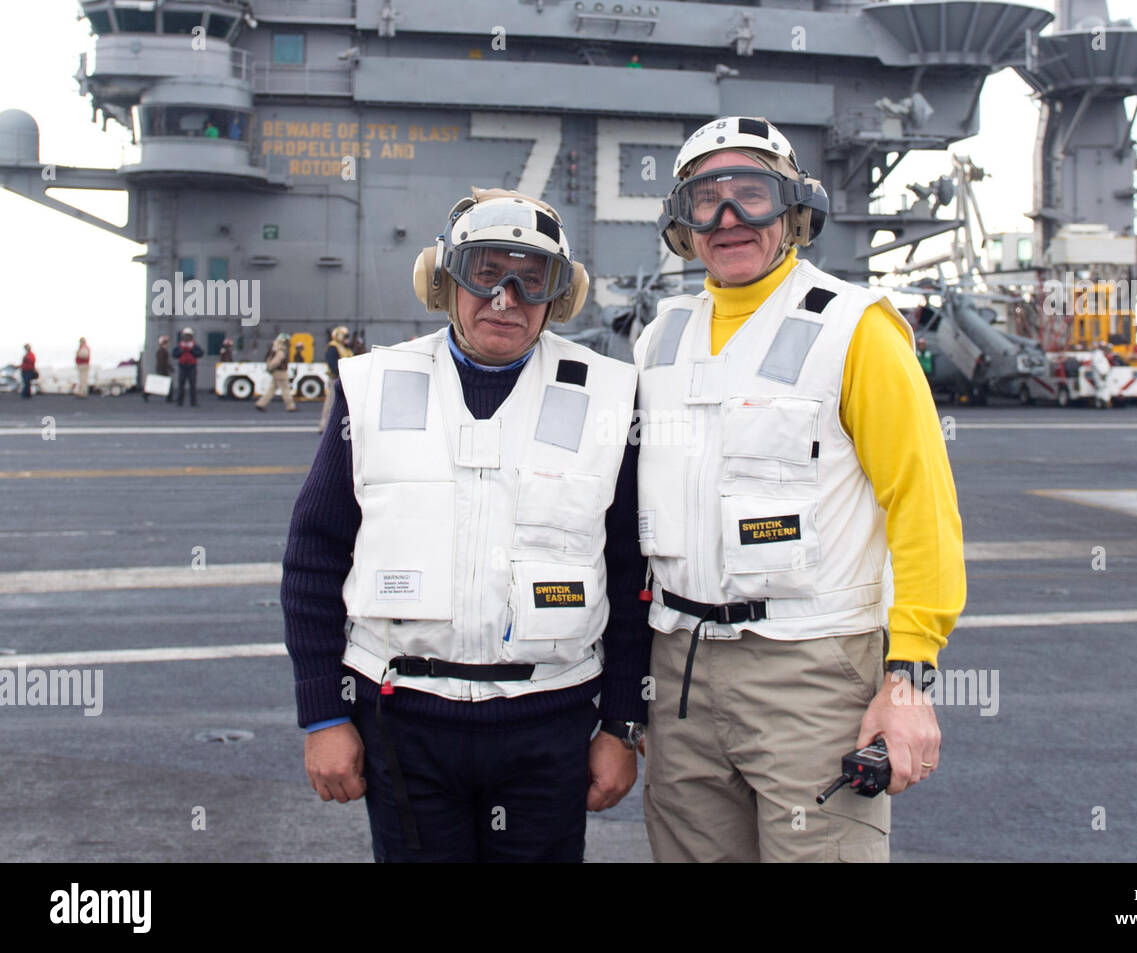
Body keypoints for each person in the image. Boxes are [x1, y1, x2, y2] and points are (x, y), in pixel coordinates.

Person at [282, 187, 649, 863]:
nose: (505, 298)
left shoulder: (609, 396)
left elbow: (632, 576)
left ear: (558, 297)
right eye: (485, 272)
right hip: (403, 720)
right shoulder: (370, 387)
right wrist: (324, 714)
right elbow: (314, 557)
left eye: (530, 278)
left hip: (551, 723)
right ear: (443, 280)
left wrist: (621, 725)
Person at [635, 116, 966, 863]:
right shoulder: (659, 338)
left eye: (751, 195)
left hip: (811, 670)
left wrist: (907, 680)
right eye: (705, 200)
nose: (728, 219)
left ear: (793, 212)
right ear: (682, 226)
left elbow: (922, 507)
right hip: (679, 670)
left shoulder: (856, 330)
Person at [316, 325, 352, 434]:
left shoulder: (345, 348)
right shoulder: (333, 347)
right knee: (331, 403)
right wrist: (340, 375)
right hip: (336, 380)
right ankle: (324, 426)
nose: (347, 338)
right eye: (345, 336)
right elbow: (333, 365)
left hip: (347, 380)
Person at [256, 333, 297, 413]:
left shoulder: (274, 349)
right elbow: (276, 361)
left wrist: (270, 368)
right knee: (285, 390)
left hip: (276, 372)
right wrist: (271, 368)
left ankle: (261, 403)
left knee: (272, 389)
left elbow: (270, 359)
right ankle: (290, 406)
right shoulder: (281, 350)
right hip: (281, 372)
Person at [172, 327, 204, 407]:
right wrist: (181, 351)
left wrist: (191, 350)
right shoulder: (180, 346)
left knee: (193, 385)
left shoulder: (194, 346)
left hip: (192, 367)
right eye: (185, 336)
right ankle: (180, 402)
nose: (187, 337)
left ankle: (193, 402)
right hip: (182, 366)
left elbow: (200, 353)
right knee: (181, 385)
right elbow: (174, 354)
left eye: (188, 336)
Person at [145, 335, 173, 403]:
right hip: (162, 369)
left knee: (163, 384)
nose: (167, 344)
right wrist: (169, 367)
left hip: (162, 369)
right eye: (166, 343)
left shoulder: (162, 350)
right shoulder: (161, 351)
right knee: (164, 384)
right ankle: (146, 394)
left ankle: (168, 398)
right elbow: (163, 361)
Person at [1087, 341, 1111, 407]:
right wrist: (1102, 373)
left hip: (1102, 374)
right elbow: (1096, 364)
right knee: (1101, 387)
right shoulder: (1097, 354)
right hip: (1099, 374)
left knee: (1103, 387)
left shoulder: (1101, 354)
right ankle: (1101, 401)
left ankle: (1102, 401)